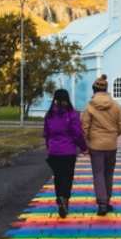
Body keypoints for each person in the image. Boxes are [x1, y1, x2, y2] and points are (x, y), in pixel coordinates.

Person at [81, 74, 121, 217]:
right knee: (109, 173)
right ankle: (107, 201)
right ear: (107, 89)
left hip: (96, 145)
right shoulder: (116, 105)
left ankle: (102, 203)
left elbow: (84, 127)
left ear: (94, 90)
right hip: (111, 144)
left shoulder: (89, 107)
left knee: (98, 173)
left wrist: (87, 141)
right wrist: (114, 135)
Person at [43, 88, 87, 218]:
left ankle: (59, 197)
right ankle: (65, 199)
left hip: (54, 151)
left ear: (55, 99)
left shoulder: (49, 115)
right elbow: (77, 134)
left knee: (57, 176)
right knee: (67, 177)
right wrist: (84, 147)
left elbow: (46, 134)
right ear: (67, 99)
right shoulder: (72, 114)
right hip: (68, 152)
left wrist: (49, 147)